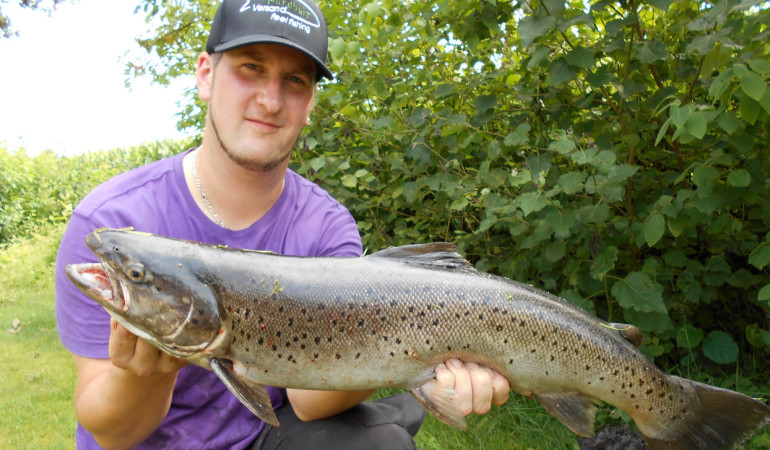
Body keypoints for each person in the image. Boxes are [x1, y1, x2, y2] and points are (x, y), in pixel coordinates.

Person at [54, 0, 511, 448]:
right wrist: (147, 372)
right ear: (206, 75)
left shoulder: (327, 225)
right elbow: (112, 434)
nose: (270, 100)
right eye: (250, 67)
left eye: (294, 80)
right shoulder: (112, 219)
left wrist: (417, 353)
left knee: (377, 441)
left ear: (310, 102)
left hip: (267, 435)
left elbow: (310, 403)